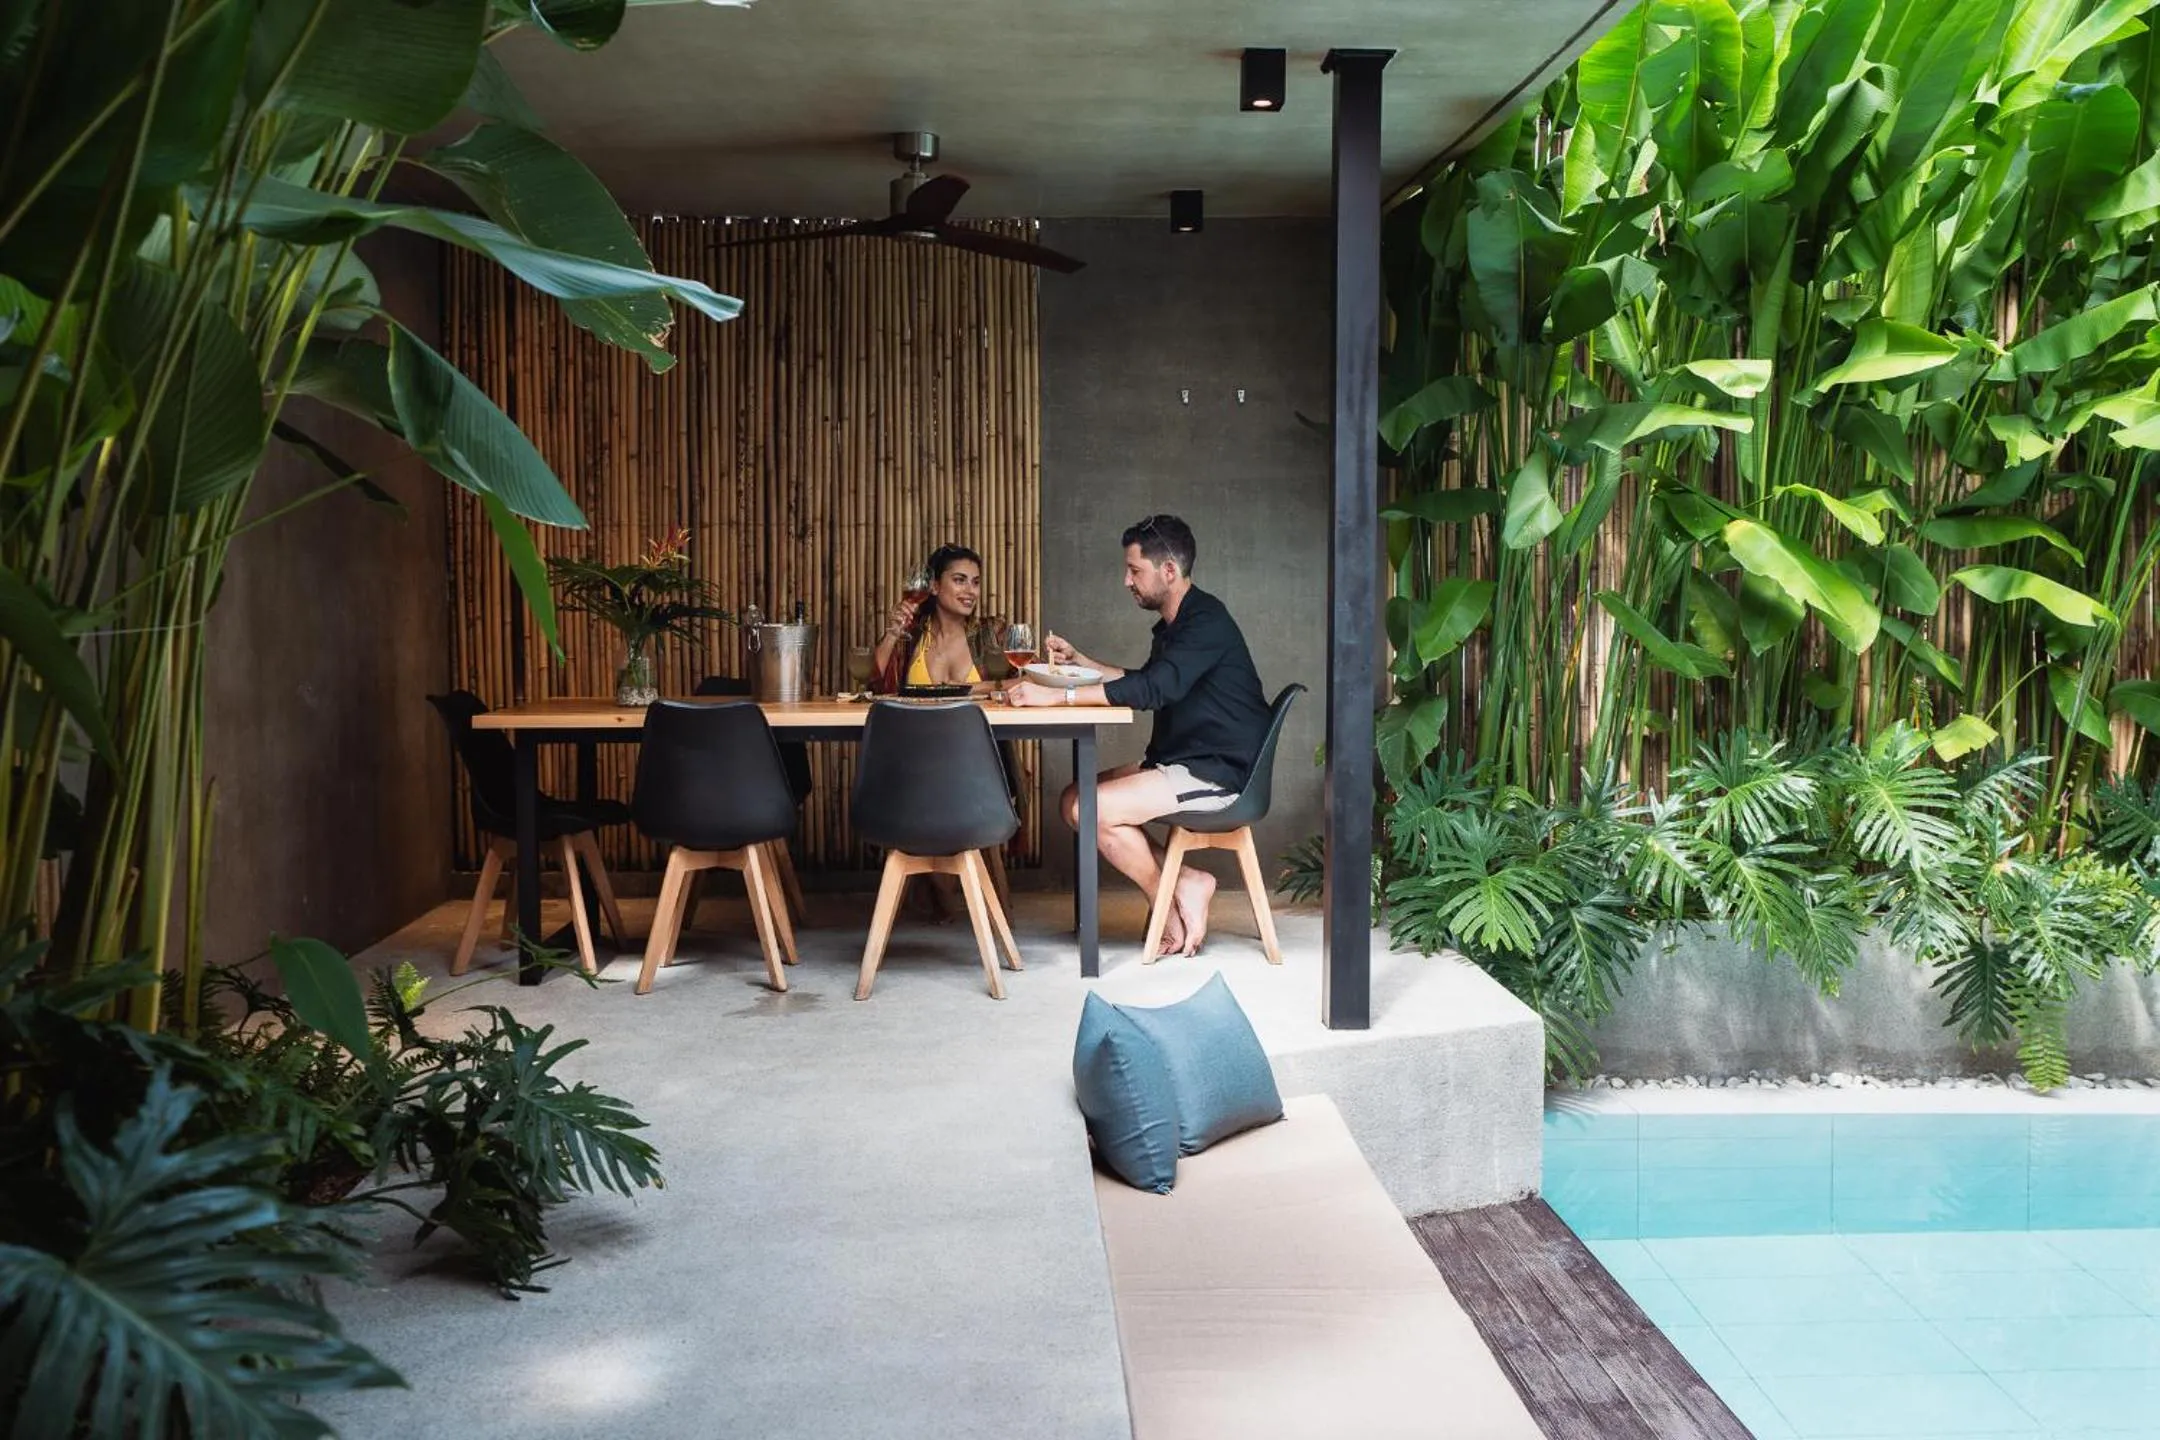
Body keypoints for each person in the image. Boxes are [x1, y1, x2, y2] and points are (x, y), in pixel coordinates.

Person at [1004, 514, 1270, 956]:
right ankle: (1185, 881)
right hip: (1183, 761)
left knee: (1090, 809)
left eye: (1134, 570)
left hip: (1218, 772)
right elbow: (1147, 680)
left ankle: (1165, 905)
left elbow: (1152, 690)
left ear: (1169, 570)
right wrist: (1082, 662)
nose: (1126, 581)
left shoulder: (1206, 621)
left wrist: (1056, 697)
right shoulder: (1176, 623)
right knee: (1074, 800)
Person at [871, 544, 1012, 694]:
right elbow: (871, 685)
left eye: (975, 582)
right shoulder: (911, 635)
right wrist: (892, 635)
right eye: (959, 580)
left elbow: (1028, 679)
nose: (971, 591)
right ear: (934, 586)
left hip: (976, 711)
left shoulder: (991, 633)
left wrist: (974, 688)